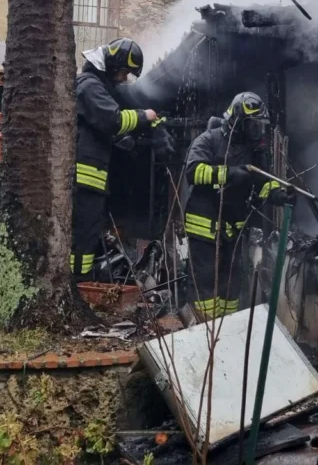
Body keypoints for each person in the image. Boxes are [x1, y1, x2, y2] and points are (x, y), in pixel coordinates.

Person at [182, 92, 289, 320]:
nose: (257, 131)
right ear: (237, 122)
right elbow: (193, 172)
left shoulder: (254, 150)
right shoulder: (208, 140)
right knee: (206, 283)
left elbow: (262, 181)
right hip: (204, 227)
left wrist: (276, 193)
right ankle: (203, 329)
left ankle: (226, 329)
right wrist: (229, 174)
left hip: (233, 230)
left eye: (259, 126)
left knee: (231, 285)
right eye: (252, 125)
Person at [73, 38, 158, 279]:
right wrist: (144, 116)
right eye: (124, 72)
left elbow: (100, 130)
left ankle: (80, 281)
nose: (123, 79)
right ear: (112, 65)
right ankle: (78, 282)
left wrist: (120, 141)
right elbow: (113, 120)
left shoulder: (93, 86)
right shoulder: (89, 85)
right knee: (82, 238)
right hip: (84, 182)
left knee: (87, 237)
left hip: (89, 184)